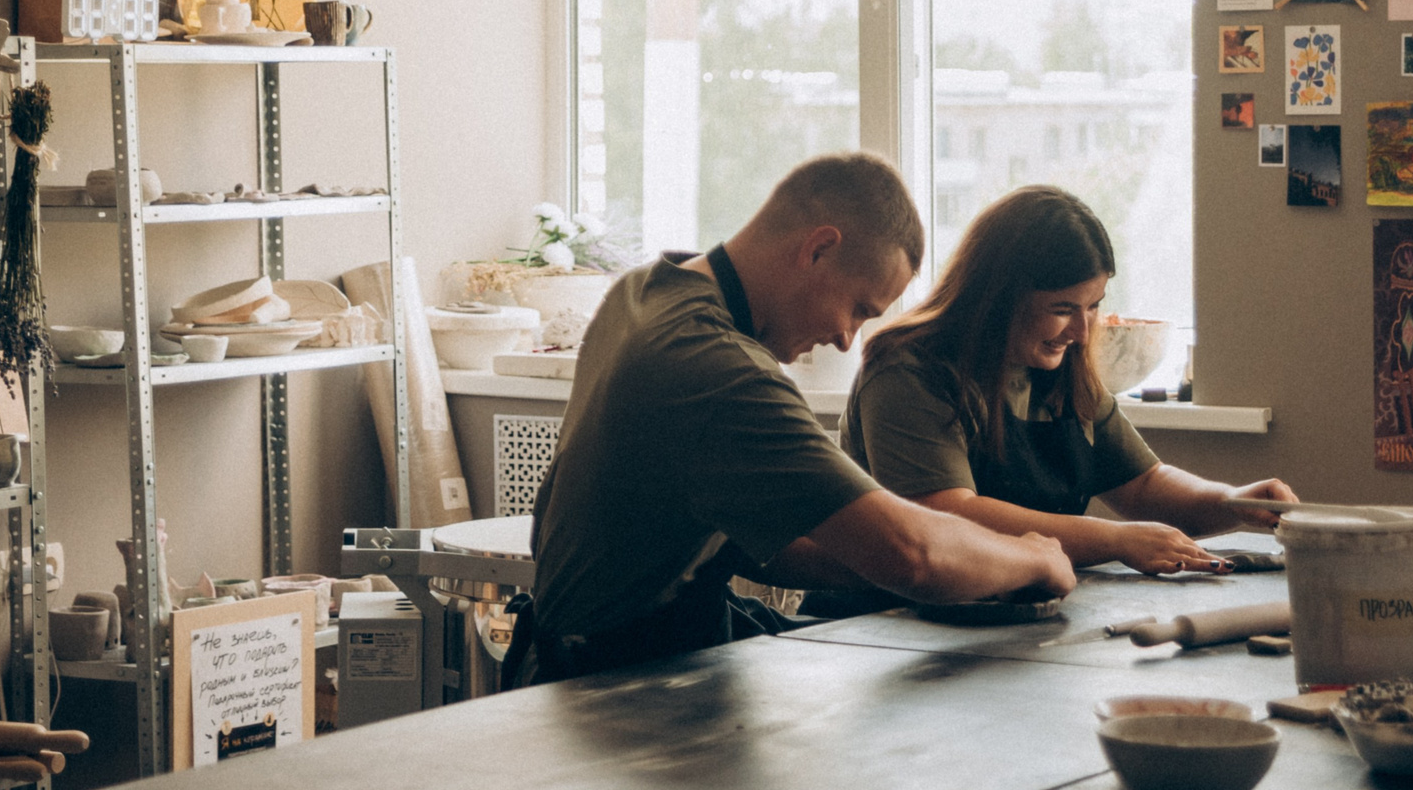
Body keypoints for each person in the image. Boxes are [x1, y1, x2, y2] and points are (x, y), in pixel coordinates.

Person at [513, 153, 1076, 685]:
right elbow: (912, 555)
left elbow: (775, 546)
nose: (845, 338)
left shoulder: (644, 290)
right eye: (859, 309)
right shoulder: (717, 366)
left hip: (603, 643)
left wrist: (972, 572)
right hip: (613, 682)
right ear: (817, 250)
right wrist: (1032, 557)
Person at [845, 187, 1296, 574]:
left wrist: (1232, 501)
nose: (1082, 333)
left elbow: (1141, 484)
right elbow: (946, 514)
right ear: (999, 297)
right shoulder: (907, 371)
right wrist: (1115, 540)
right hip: (877, 621)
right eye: (1063, 309)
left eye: (1093, 305)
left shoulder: (1056, 366)